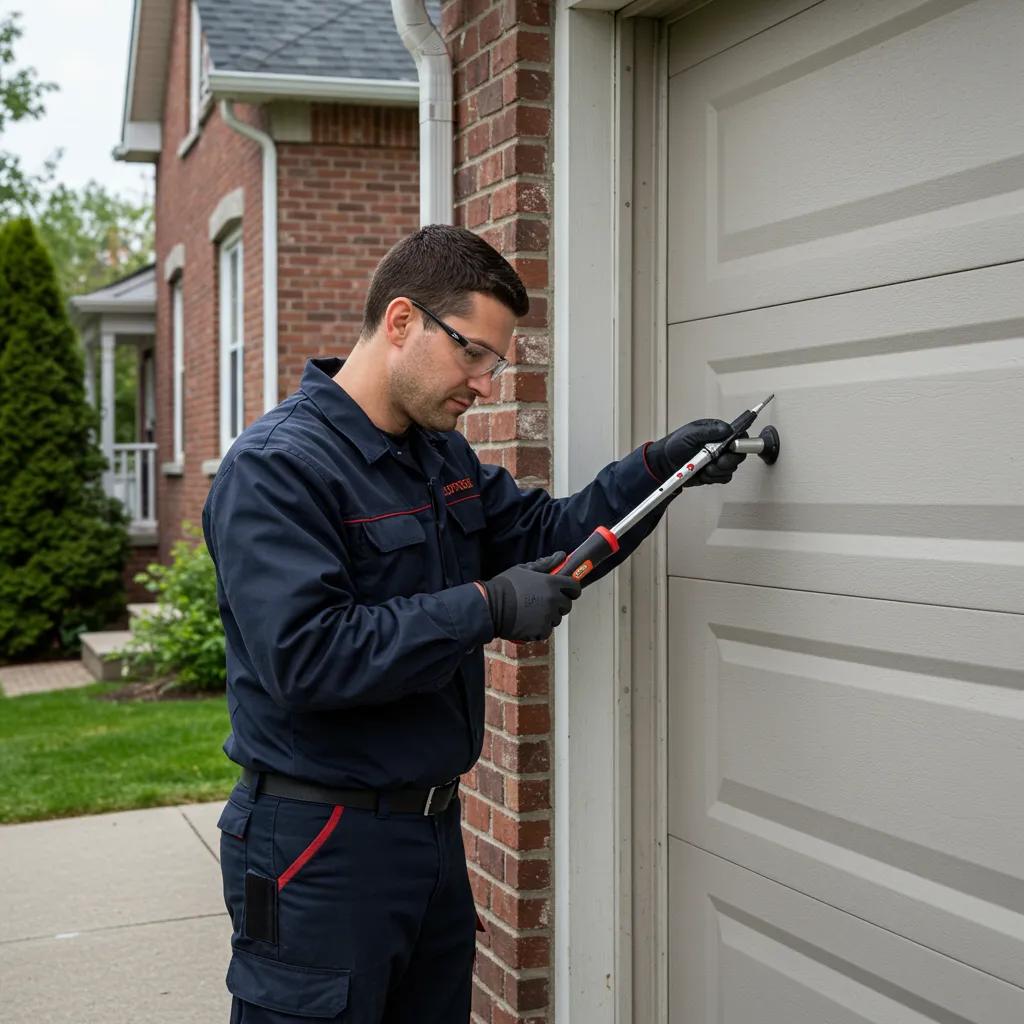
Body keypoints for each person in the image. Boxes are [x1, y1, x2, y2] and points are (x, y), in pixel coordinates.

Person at [203, 224, 745, 1024]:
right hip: (318, 843)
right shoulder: (278, 468)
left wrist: (660, 472)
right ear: (400, 322)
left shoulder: (438, 459)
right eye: (472, 353)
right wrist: (484, 607)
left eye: (495, 361)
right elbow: (307, 657)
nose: (485, 383)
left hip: (429, 834)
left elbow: (549, 535)